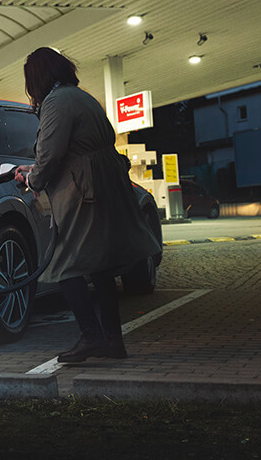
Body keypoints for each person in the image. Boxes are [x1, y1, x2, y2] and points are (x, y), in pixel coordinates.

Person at [14, 47, 160, 363]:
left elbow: (51, 154)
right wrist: (36, 172)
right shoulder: (82, 97)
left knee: (66, 264)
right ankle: (112, 341)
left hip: (83, 190)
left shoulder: (56, 102)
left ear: (38, 77)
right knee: (100, 267)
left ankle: (91, 337)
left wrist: (31, 179)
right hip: (105, 185)